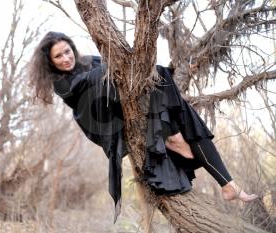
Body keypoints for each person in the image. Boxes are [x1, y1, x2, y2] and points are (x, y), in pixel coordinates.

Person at [29, 31, 258, 219]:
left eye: (67, 51)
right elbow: (96, 81)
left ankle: (227, 184)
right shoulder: (60, 83)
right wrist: (124, 65)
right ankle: (172, 137)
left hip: (125, 109)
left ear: (72, 48)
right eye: (58, 57)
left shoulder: (90, 61)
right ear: (50, 62)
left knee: (182, 113)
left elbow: (121, 68)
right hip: (108, 126)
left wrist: (135, 66)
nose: (66, 58)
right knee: (152, 75)